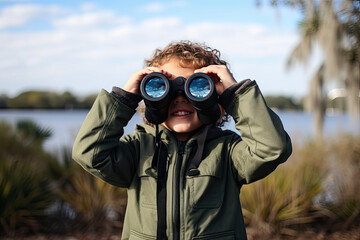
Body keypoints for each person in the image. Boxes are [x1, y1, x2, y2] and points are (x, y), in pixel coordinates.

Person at [72, 40, 292, 240]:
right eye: (161, 88)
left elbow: (272, 148)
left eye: (197, 87)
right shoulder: (138, 149)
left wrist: (236, 93)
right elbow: (90, 153)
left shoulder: (228, 151)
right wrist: (123, 98)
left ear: (217, 99)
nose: (179, 98)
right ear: (147, 99)